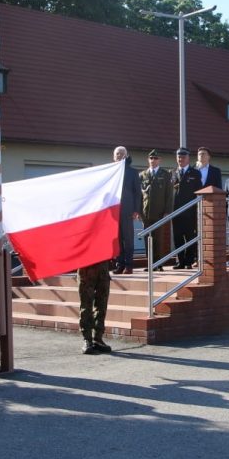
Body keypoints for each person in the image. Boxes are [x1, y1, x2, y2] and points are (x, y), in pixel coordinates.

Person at [140, 150, 173, 271]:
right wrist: (139, 212)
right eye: (151, 158)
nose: (153, 160)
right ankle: (150, 264)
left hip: (159, 212)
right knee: (147, 239)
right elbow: (140, 195)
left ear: (159, 160)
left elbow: (169, 195)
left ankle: (158, 264)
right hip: (146, 212)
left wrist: (167, 211)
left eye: (155, 158)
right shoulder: (142, 175)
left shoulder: (165, 174)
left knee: (158, 239)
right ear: (148, 160)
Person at [171, 147, 203, 269]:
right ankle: (180, 261)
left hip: (190, 211)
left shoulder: (195, 173)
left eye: (183, 157)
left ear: (188, 158)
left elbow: (199, 192)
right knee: (178, 238)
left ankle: (189, 261)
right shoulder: (173, 172)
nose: (181, 159)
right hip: (176, 212)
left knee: (190, 237)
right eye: (179, 157)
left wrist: (197, 209)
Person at [112, 146, 142, 274]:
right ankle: (120, 264)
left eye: (121, 154)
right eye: (117, 154)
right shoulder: (110, 172)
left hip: (128, 210)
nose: (119, 156)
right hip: (113, 211)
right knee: (117, 239)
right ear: (114, 157)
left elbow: (137, 193)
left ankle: (129, 266)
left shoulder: (132, 172)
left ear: (126, 155)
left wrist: (136, 210)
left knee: (128, 239)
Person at [78, 260, 112, 354]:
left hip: (103, 267)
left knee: (102, 304)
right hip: (86, 268)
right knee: (86, 305)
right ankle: (87, 340)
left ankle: (98, 338)